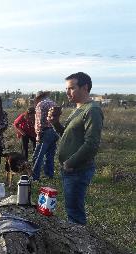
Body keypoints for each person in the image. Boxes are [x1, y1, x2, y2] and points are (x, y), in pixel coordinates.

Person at [48, 72, 103, 225]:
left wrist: (70, 163)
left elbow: (92, 144)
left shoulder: (92, 110)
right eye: (67, 88)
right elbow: (67, 135)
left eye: (71, 88)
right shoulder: (79, 108)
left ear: (85, 87)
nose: (67, 92)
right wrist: (55, 122)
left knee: (75, 215)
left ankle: (81, 247)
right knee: (71, 209)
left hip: (78, 169)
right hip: (71, 169)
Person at [32, 91, 58, 181]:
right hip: (54, 131)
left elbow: (40, 121)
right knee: (50, 155)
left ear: (38, 98)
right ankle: (49, 175)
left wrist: (38, 135)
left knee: (38, 155)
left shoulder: (40, 105)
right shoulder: (53, 103)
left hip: (45, 132)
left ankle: (35, 177)